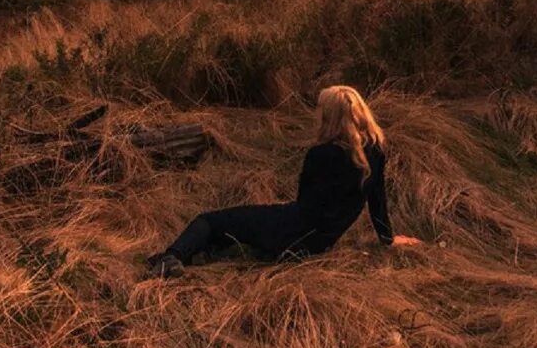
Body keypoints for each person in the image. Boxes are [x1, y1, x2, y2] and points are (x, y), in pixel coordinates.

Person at [145, 85, 421, 278]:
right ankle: (206, 252)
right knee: (236, 227)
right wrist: (388, 239)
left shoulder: (321, 153)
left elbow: (304, 204)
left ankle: (171, 257)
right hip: (319, 242)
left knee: (210, 220)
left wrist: (275, 218)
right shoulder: (374, 153)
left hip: (290, 232)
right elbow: (378, 201)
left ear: (329, 116)